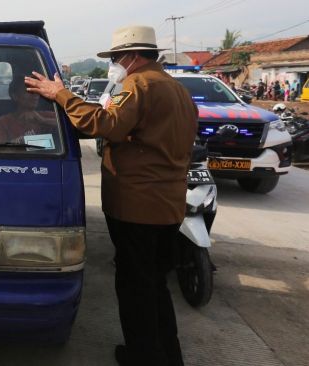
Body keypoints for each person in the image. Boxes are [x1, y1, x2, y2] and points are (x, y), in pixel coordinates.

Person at [25, 25, 198, 366]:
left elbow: (106, 125)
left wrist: (60, 95)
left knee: (135, 288)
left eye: (117, 58)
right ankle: (167, 356)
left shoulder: (139, 85)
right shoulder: (177, 89)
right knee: (155, 286)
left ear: (132, 56)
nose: (115, 64)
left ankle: (143, 356)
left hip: (138, 207)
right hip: (168, 205)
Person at [0, 77, 56, 143]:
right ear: (15, 96)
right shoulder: (2, 123)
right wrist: (20, 143)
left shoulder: (47, 116)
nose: (35, 95)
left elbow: (65, 124)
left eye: (36, 91)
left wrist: (43, 120)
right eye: (29, 91)